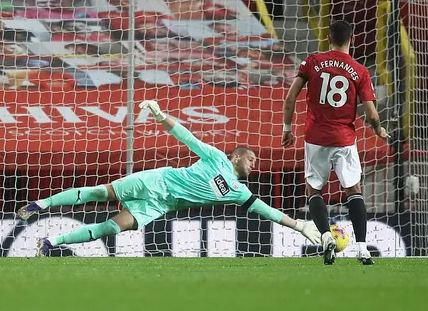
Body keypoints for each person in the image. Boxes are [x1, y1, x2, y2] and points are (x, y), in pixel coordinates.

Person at [17, 100, 321, 256]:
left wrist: (300, 226)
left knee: (112, 227)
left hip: (159, 205)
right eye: (251, 159)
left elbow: (266, 210)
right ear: (236, 156)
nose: (254, 165)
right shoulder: (216, 156)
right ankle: (40, 204)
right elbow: (187, 137)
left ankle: (50, 241)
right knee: (99, 193)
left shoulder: (239, 192)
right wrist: (160, 115)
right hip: (156, 181)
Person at [281, 20, 388, 266]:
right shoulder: (360, 70)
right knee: (354, 190)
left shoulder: (313, 61)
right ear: (352, 39)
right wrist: (378, 129)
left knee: (314, 190)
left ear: (328, 38)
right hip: (344, 139)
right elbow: (371, 114)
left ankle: (327, 236)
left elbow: (290, 97)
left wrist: (287, 128)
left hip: (316, 138)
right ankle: (362, 248)